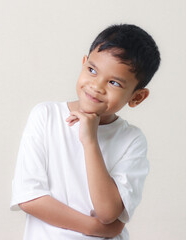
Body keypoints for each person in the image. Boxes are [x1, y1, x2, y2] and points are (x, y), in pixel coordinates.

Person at [10, 24, 161, 240]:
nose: (97, 86)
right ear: (83, 64)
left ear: (137, 97)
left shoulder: (132, 140)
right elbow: (29, 198)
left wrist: (90, 141)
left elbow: (108, 213)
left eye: (114, 82)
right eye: (92, 70)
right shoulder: (46, 115)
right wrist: (95, 228)